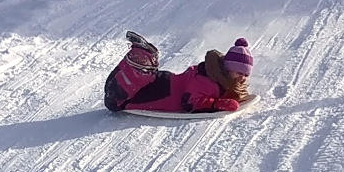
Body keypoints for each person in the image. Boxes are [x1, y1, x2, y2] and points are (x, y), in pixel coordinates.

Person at [104, 34, 255, 114]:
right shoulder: (209, 81)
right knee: (116, 102)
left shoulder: (219, 77)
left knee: (139, 79)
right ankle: (143, 55)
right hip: (165, 93)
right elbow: (189, 101)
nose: (242, 77)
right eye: (239, 72)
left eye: (245, 75)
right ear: (228, 68)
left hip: (169, 84)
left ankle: (142, 56)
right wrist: (216, 104)